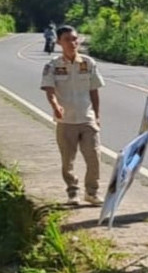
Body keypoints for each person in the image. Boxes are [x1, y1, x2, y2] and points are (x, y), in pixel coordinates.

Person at [41, 25, 105, 206]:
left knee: (94, 157)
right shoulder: (53, 65)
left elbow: (94, 91)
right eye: (67, 39)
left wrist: (97, 115)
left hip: (87, 118)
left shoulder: (88, 63)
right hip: (66, 120)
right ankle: (73, 192)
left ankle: (92, 192)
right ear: (59, 42)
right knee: (67, 160)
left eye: (75, 39)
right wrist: (55, 106)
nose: (72, 43)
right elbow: (49, 89)